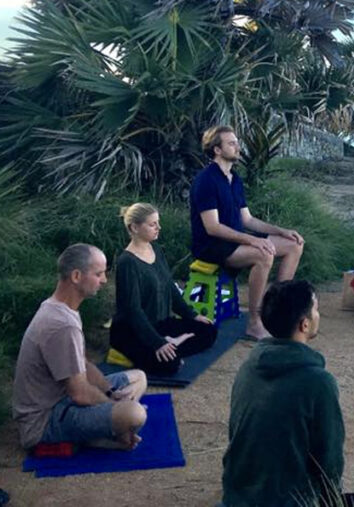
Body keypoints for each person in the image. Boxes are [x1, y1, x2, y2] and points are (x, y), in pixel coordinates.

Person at [13, 244, 148, 451]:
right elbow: (80, 394)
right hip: (45, 422)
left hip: (64, 400)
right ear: (76, 276)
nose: (104, 280)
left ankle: (100, 431)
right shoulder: (62, 324)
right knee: (134, 414)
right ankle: (100, 435)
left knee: (139, 377)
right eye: (98, 274)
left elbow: (82, 364)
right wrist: (115, 407)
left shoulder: (62, 309)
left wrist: (110, 391)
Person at [222, 281, 344, 507]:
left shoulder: (249, 366)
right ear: (304, 324)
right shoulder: (318, 382)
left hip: (237, 495)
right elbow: (329, 459)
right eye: (316, 309)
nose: (318, 315)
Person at [190, 125, 305, 340]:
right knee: (264, 254)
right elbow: (212, 227)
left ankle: (277, 310)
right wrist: (252, 241)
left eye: (237, 142)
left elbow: (247, 220)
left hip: (236, 240)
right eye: (231, 143)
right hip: (211, 246)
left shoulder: (234, 179)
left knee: (294, 244)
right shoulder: (206, 180)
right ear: (217, 149)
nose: (238, 147)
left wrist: (281, 231)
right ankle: (254, 322)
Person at [110, 203, 218, 375]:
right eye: (152, 224)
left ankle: (174, 343)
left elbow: (170, 288)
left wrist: (192, 315)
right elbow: (133, 311)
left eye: (158, 223)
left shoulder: (156, 249)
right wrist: (157, 342)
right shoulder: (127, 263)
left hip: (161, 323)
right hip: (133, 330)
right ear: (134, 228)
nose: (158, 228)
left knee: (208, 330)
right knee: (170, 365)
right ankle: (172, 345)